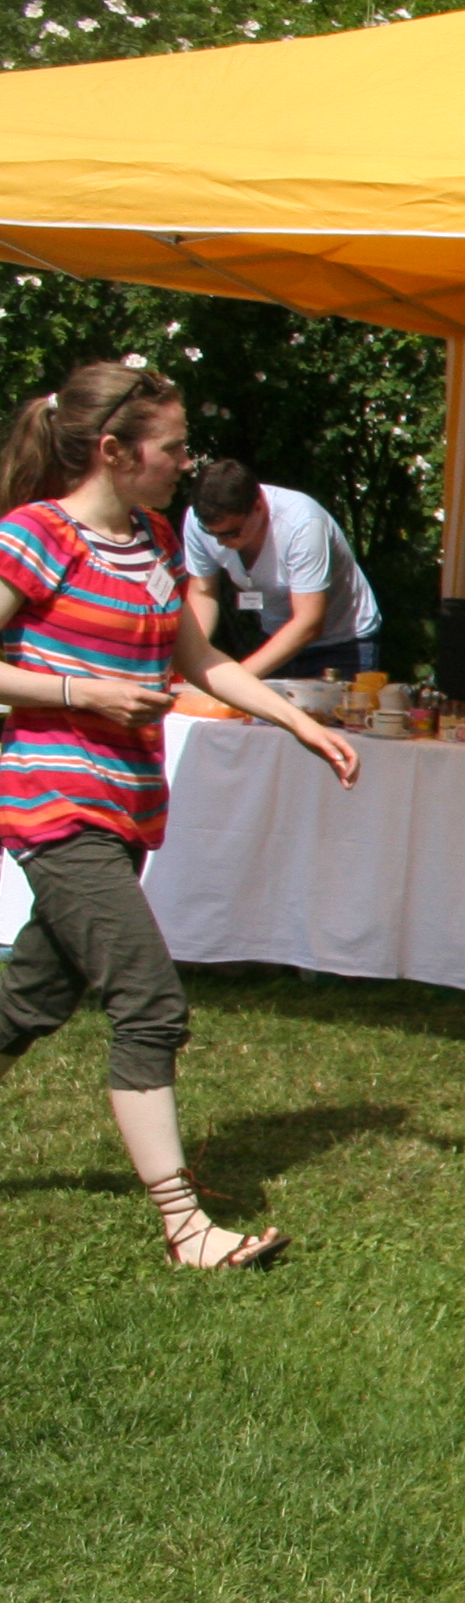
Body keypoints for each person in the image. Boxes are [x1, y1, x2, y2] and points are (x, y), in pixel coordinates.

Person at [0, 360, 360, 1266]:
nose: (187, 462)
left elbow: (201, 659)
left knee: (31, 998)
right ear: (114, 451)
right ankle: (186, 1229)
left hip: (127, 802)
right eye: (173, 446)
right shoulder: (34, 536)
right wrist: (83, 692)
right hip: (53, 799)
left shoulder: (156, 537)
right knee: (150, 1003)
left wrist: (296, 722)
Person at [180, 459, 385, 680]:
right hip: (275, 637)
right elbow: (202, 592)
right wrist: (192, 659)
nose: (220, 542)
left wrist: (234, 681)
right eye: (210, 533)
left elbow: (309, 622)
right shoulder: (197, 521)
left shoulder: (302, 523)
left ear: (258, 506)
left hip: (342, 642)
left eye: (231, 533)